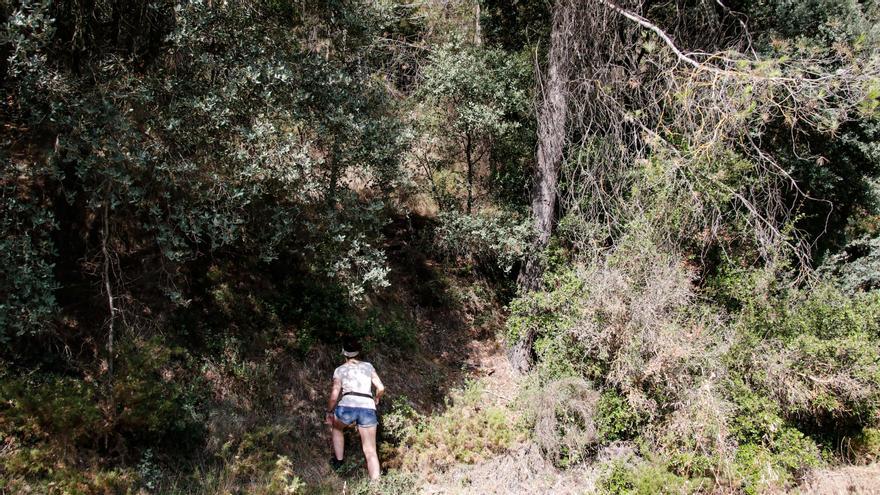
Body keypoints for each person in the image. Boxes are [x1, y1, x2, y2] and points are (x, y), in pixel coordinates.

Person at [325, 339, 385, 480]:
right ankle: (376, 485)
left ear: (344, 353)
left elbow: (334, 396)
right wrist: (377, 398)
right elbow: (381, 388)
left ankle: (339, 462)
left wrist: (329, 412)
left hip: (347, 407)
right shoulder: (368, 366)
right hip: (367, 408)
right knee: (371, 451)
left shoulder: (340, 370)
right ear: (359, 352)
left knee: (337, 427)